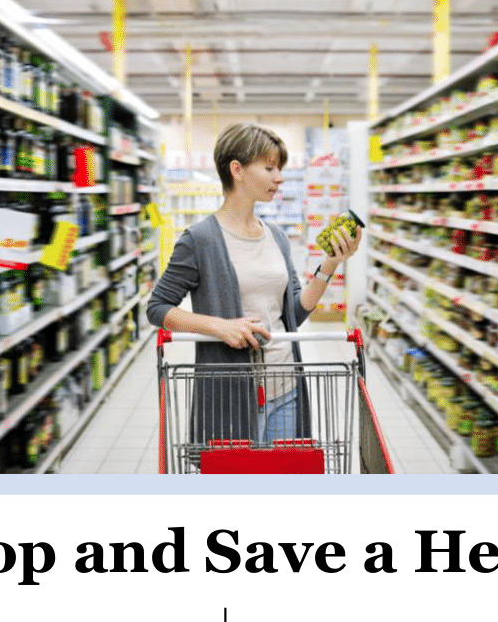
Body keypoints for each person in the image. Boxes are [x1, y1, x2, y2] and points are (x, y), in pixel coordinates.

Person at [146, 123, 362, 450]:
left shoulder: (275, 236)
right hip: (230, 394)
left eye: (280, 168)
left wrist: (330, 264)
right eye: (270, 167)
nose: (280, 178)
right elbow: (157, 307)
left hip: (287, 386)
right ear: (238, 170)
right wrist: (217, 326)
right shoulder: (200, 240)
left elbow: (293, 312)